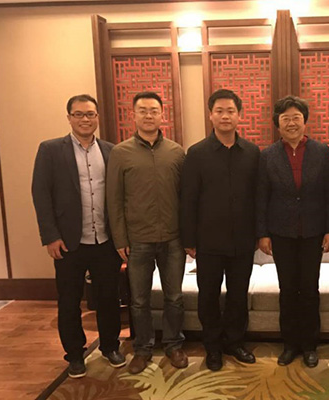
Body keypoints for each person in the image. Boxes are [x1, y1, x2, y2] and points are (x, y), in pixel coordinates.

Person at [31, 94, 125, 378]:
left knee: (108, 297)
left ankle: (110, 346)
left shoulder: (111, 151)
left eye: (90, 114)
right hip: (68, 241)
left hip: (105, 240)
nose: (85, 119)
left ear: (97, 117)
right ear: (69, 118)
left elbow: (119, 196)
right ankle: (74, 354)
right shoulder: (50, 150)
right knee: (69, 300)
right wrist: (50, 236)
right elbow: (41, 194)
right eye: (79, 114)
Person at [106, 91, 187, 374]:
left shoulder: (176, 152)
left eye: (154, 110)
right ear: (134, 115)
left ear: (162, 115)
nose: (149, 115)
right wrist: (120, 239)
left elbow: (186, 197)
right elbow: (114, 199)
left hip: (173, 239)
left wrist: (188, 237)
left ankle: (174, 344)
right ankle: (142, 349)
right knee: (139, 300)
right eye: (143, 110)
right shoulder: (120, 153)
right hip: (137, 240)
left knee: (174, 297)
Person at [181, 89, 260, 372]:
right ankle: (212, 347)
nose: (225, 116)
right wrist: (189, 239)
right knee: (208, 297)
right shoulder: (197, 153)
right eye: (220, 111)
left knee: (238, 295)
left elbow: (258, 197)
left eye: (231, 111)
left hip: (243, 241)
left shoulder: (252, 153)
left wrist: (259, 234)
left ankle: (235, 342)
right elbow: (188, 199)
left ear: (239, 115)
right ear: (211, 115)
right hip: (208, 241)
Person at [257, 95, 329, 368]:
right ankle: (290, 344)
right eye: (285, 119)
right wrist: (263, 233)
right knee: (288, 290)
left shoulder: (321, 151)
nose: (291, 123)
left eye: (296, 118)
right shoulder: (267, 155)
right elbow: (261, 197)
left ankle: (310, 345)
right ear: (277, 124)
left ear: (305, 121)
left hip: (313, 232)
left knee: (310, 289)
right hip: (281, 233)